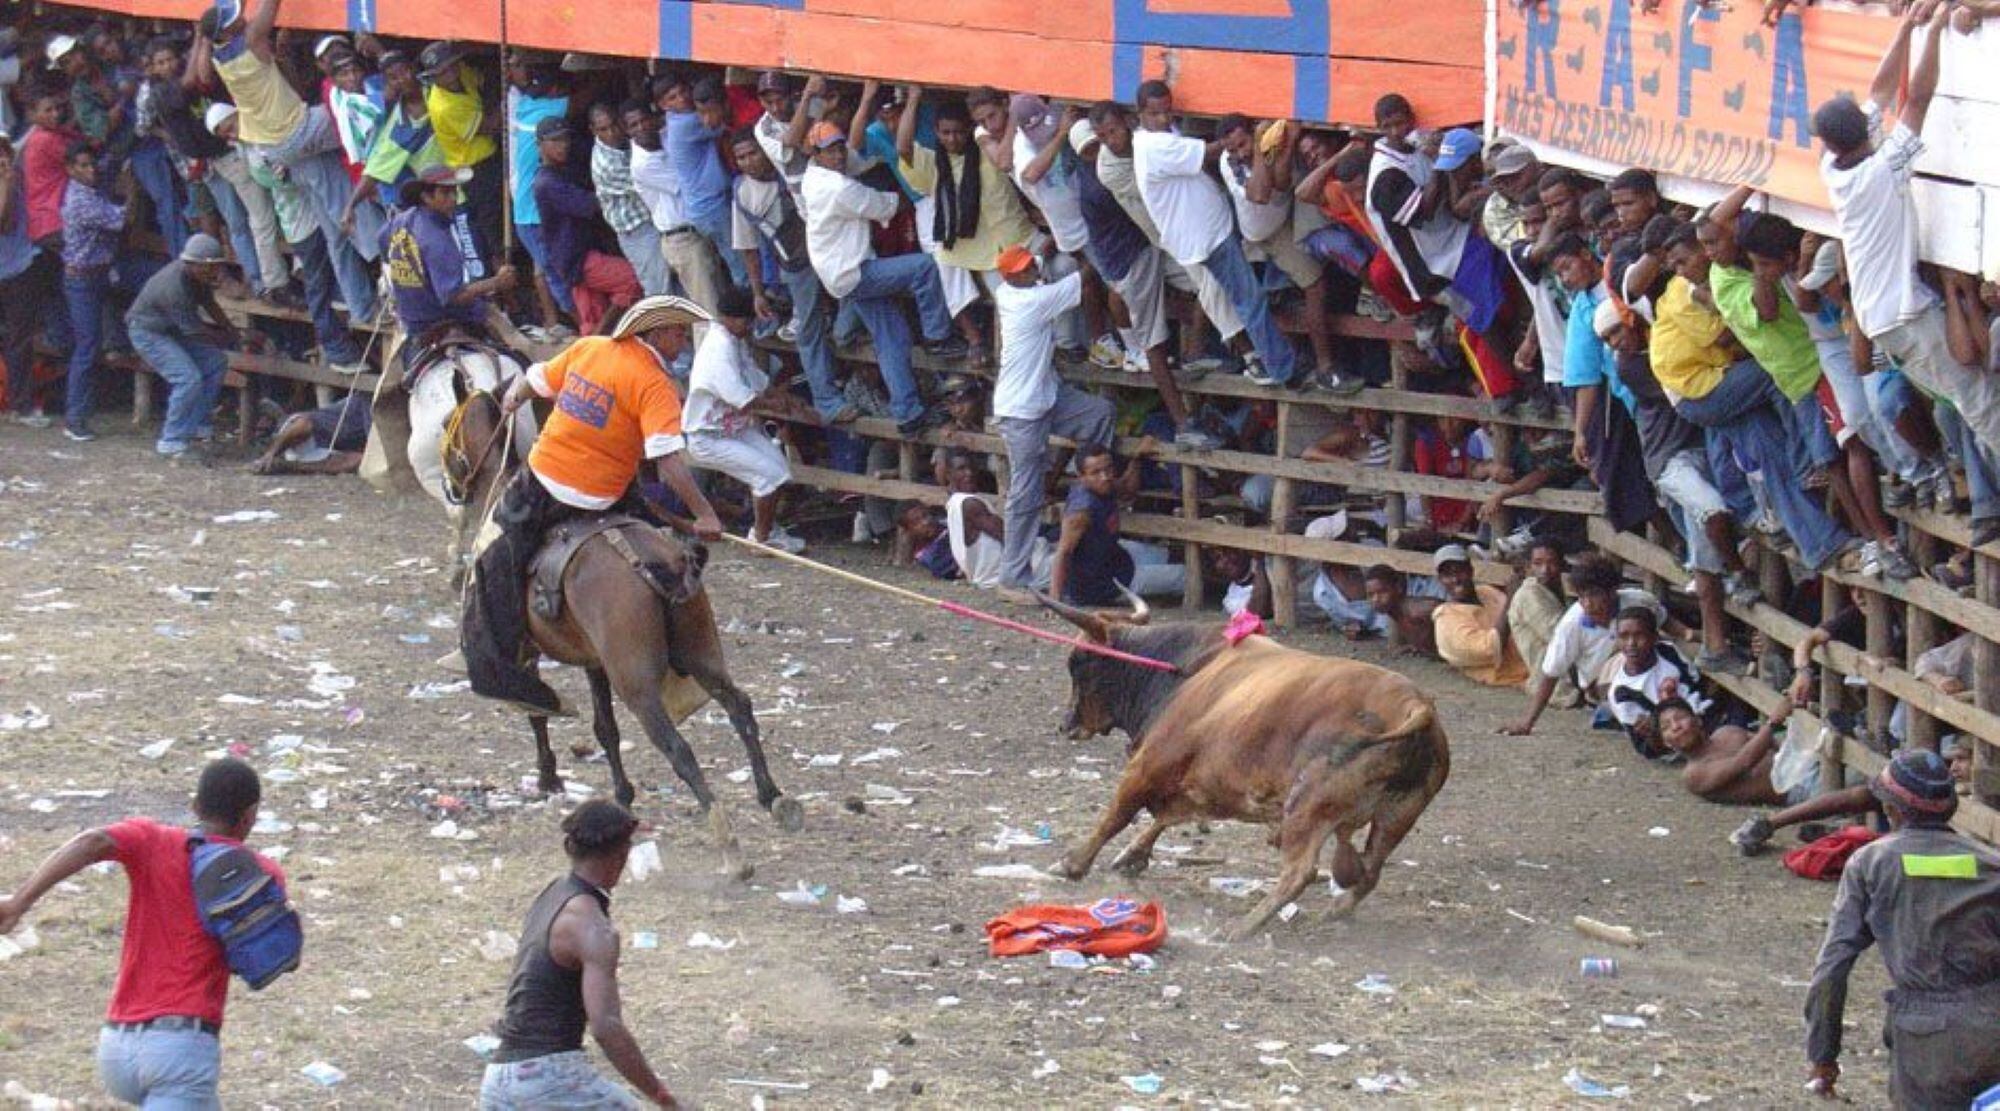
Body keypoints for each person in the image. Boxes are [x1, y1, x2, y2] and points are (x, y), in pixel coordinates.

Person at [463, 296, 725, 715]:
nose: (683, 342)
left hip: (545, 484)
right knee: (667, 561)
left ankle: (502, 660)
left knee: (494, 556)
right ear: (655, 334)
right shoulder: (656, 384)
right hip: (609, 493)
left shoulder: (590, 348)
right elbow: (668, 463)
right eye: (679, 333)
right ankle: (682, 657)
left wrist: (514, 397)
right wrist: (703, 515)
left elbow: (536, 379)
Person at [0, 758, 287, 1109]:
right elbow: (266, 958)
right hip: (181, 1051)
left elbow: (91, 841)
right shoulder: (258, 874)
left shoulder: (153, 841)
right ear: (251, 815)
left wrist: (18, 903)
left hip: (116, 1047)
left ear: (195, 806)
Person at [1818, 0, 2000, 466]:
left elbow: (1879, 94)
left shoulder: (1836, 166)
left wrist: (1904, 32)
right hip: (1901, 315)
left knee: (1974, 393)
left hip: (1888, 311)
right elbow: (1915, 99)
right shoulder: (1880, 171)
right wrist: (1935, 28)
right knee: (1977, 400)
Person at [1802, 748, 2000, 1106]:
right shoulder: (1991, 864)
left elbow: (1831, 969)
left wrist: (1823, 1055)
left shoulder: (1871, 863)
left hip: (1926, 1037)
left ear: (1890, 809)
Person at [481, 799, 683, 1109]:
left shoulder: (554, 893)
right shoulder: (593, 928)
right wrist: (662, 1096)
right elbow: (606, 1027)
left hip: (498, 1080)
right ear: (621, 855)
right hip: (545, 1079)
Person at [798, 120, 964, 434]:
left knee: (892, 339)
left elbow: (863, 163)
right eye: (829, 151)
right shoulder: (838, 187)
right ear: (816, 154)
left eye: (838, 148)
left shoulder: (812, 177)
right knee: (925, 267)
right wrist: (910, 192)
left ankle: (908, 413)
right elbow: (883, 206)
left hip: (841, 272)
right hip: (855, 272)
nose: (837, 156)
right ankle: (938, 336)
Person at [1131, 80, 1299, 388]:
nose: (1165, 119)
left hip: (1215, 227)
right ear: (1140, 113)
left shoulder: (1163, 135)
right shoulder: (1154, 146)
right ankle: (1283, 368)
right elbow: (1208, 153)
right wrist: (1244, 140)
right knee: (1250, 299)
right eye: (1156, 114)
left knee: (1250, 290)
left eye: (1168, 112)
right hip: (1207, 238)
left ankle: (1276, 352)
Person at [987, 245, 1115, 603]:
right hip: (1022, 410)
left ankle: (1083, 486)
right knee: (1025, 494)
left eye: (1031, 266)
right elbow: (1086, 276)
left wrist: (1049, 243)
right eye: (1025, 269)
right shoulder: (1031, 301)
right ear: (1012, 277)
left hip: (1046, 394)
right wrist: (1090, 245)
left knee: (1099, 413)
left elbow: (1040, 259)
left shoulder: (1011, 287)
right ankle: (1012, 577)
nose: (1032, 270)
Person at [1216, 116, 1354, 391]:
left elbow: (1281, 181)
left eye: (1242, 144)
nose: (1239, 153)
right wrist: (1258, 148)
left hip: (1287, 210)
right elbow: (1262, 192)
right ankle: (1325, 368)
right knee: (1314, 283)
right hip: (1268, 233)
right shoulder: (1230, 163)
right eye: (1233, 148)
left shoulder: (1269, 142)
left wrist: (1288, 140)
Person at [728, 128, 843, 422]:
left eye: (752, 153)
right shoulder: (742, 193)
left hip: (832, 252)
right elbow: (748, 249)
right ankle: (828, 401)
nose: (748, 161)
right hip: (797, 265)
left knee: (847, 323)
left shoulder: (792, 172)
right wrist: (756, 292)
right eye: (740, 157)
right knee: (809, 331)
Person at [685, 286, 806, 553]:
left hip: (734, 428)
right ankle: (762, 540)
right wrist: (778, 405)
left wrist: (779, 395)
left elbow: (754, 377)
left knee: (780, 470)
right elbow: (741, 397)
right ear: (729, 318)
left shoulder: (733, 341)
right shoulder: (718, 349)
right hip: (708, 436)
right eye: (746, 320)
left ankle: (766, 530)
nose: (749, 326)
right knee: (768, 477)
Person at [1502, 553, 1670, 734]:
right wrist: (1528, 722)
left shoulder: (1639, 601)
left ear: (1612, 591)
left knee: (1664, 649)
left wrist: (1691, 635)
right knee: (1627, 655)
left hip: (1647, 671)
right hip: (1603, 686)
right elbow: (1551, 673)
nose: (1587, 604)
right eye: (1581, 597)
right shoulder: (1572, 624)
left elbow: (1663, 621)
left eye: (1594, 595)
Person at [126, 233, 245, 457]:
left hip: (170, 329)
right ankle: (171, 439)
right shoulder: (174, 287)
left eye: (217, 267)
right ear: (195, 265)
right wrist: (231, 339)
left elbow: (209, 304)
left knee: (216, 362)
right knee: (187, 378)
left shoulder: (196, 277)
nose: (215, 273)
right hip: (148, 332)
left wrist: (232, 331)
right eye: (211, 268)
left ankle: (198, 423)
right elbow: (195, 331)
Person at [380, 165, 519, 357]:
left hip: (411, 319)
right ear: (426, 197)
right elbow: (453, 296)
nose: (453, 199)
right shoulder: (436, 238)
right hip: (442, 316)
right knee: (517, 344)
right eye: (445, 193)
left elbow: (382, 243)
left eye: (454, 191)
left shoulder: (399, 222)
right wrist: (497, 282)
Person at [531, 117, 642, 337]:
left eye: (564, 139)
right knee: (633, 279)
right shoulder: (547, 182)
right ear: (540, 145)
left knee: (591, 322)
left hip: (576, 258)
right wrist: (613, 188)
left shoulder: (563, 171)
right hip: (578, 259)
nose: (563, 145)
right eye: (555, 141)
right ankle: (604, 336)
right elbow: (589, 205)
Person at [624, 94, 728, 315]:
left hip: (697, 232)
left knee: (724, 305)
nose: (641, 127)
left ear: (654, 118)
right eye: (634, 125)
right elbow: (688, 179)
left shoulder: (665, 137)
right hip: (681, 240)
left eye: (644, 120)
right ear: (628, 132)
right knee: (708, 314)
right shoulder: (641, 164)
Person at [1049, 444, 1181, 605]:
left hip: (1117, 559)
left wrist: (1137, 459)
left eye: (1108, 469)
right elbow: (1063, 553)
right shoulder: (1082, 510)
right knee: (1184, 576)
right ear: (1081, 478)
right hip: (1105, 585)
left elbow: (1127, 489)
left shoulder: (1103, 486)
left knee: (1170, 554)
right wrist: (1054, 601)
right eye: (1095, 473)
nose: (1104, 477)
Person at [58, 139, 127, 444]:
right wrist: (134, 189)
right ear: (70, 169)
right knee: (86, 348)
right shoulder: (80, 201)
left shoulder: (89, 191)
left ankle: (119, 344)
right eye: (82, 166)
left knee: (94, 341)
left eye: (91, 164)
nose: (90, 171)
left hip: (101, 273)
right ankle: (75, 418)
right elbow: (121, 220)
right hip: (83, 280)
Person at [420, 40, 503, 267]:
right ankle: (504, 290)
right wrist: (512, 97)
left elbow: (483, 78)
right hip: (474, 170)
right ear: (433, 77)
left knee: (503, 221)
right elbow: (490, 125)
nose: (450, 73)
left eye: (451, 65)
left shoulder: (461, 74)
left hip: (491, 158)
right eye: (442, 72)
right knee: (494, 233)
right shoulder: (443, 105)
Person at [664, 74, 747, 291]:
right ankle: (762, 319)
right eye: (672, 97)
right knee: (740, 262)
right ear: (664, 105)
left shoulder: (675, 120)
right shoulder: (686, 124)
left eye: (683, 92)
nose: (682, 99)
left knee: (734, 260)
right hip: (711, 206)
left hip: (704, 207)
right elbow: (725, 122)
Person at [589, 103, 670, 298]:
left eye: (614, 125)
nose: (611, 133)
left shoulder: (623, 144)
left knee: (673, 286)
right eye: (603, 129)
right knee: (658, 291)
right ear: (593, 131)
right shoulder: (606, 164)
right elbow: (652, 181)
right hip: (638, 232)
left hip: (652, 223)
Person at [1603, 607, 1707, 758]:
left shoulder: (1668, 652)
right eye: (1624, 637)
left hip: (1701, 717)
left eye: (1639, 636)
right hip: (1674, 741)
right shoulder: (1621, 693)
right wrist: (1652, 735)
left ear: (1654, 637)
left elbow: (1695, 684)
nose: (1631, 643)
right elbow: (1645, 749)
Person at [1656, 697, 1795, 803]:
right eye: (1666, 727)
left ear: (1698, 720)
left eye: (1680, 718)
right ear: (1666, 743)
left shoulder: (1727, 731)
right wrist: (1773, 722)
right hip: (1796, 790)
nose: (1675, 727)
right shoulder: (1693, 775)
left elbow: (1772, 742)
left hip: (1798, 762)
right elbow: (1743, 762)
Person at [1430, 544, 1528, 686]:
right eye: (1447, 575)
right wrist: (1511, 600)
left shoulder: (1485, 592)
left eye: (1459, 571)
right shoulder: (1446, 620)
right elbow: (1490, 648)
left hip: (1529, 662)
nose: (1455, 579)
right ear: (1440, 580)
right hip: (1512, 676)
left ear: (1471, 570)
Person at [1506, 539, 1574, 701]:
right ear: (1528, 567)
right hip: (1557, 685)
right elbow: (1558, 636)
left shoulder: (1551, 590)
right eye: (1538, 563)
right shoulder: (1530, 595)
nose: (1545, 570)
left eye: (1552, 563)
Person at [250, 394, 371, 475]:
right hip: (347, 437)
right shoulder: (298, 454)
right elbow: (356, 460)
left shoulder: (357, 403)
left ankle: (277, 459)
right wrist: (275, 458)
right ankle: (272, 456)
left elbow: (305, 424)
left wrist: (272, 455)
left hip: (353, 415)